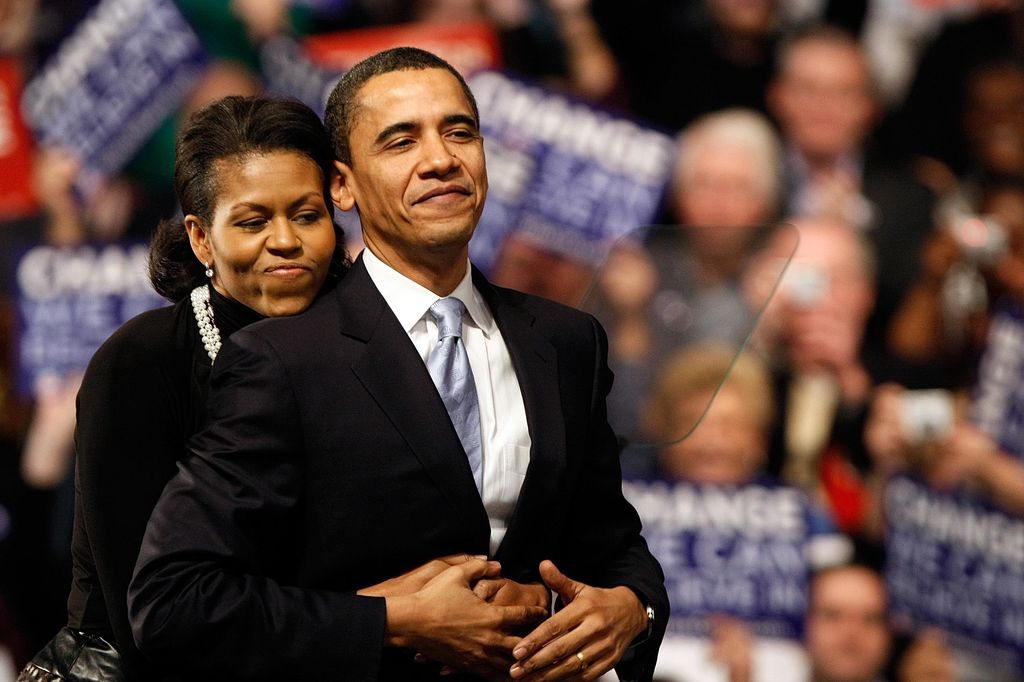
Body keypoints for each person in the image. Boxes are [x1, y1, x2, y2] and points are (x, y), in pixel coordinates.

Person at [127, 47, 667, 681]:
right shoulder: (282, 359)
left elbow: (615, 548)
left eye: (459, 131)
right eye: (400, 141)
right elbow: (174, 601)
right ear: (343, 186)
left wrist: (633, 610)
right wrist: (391, 621)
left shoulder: (568, 341)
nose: (440, 159)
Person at [16, 95, 349, 681]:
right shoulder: (139, 362)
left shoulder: (369, 340)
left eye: (306, 214)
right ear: (200, 238)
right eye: (252, 221)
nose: (286, 240)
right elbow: (150, 616)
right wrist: (386, 615)